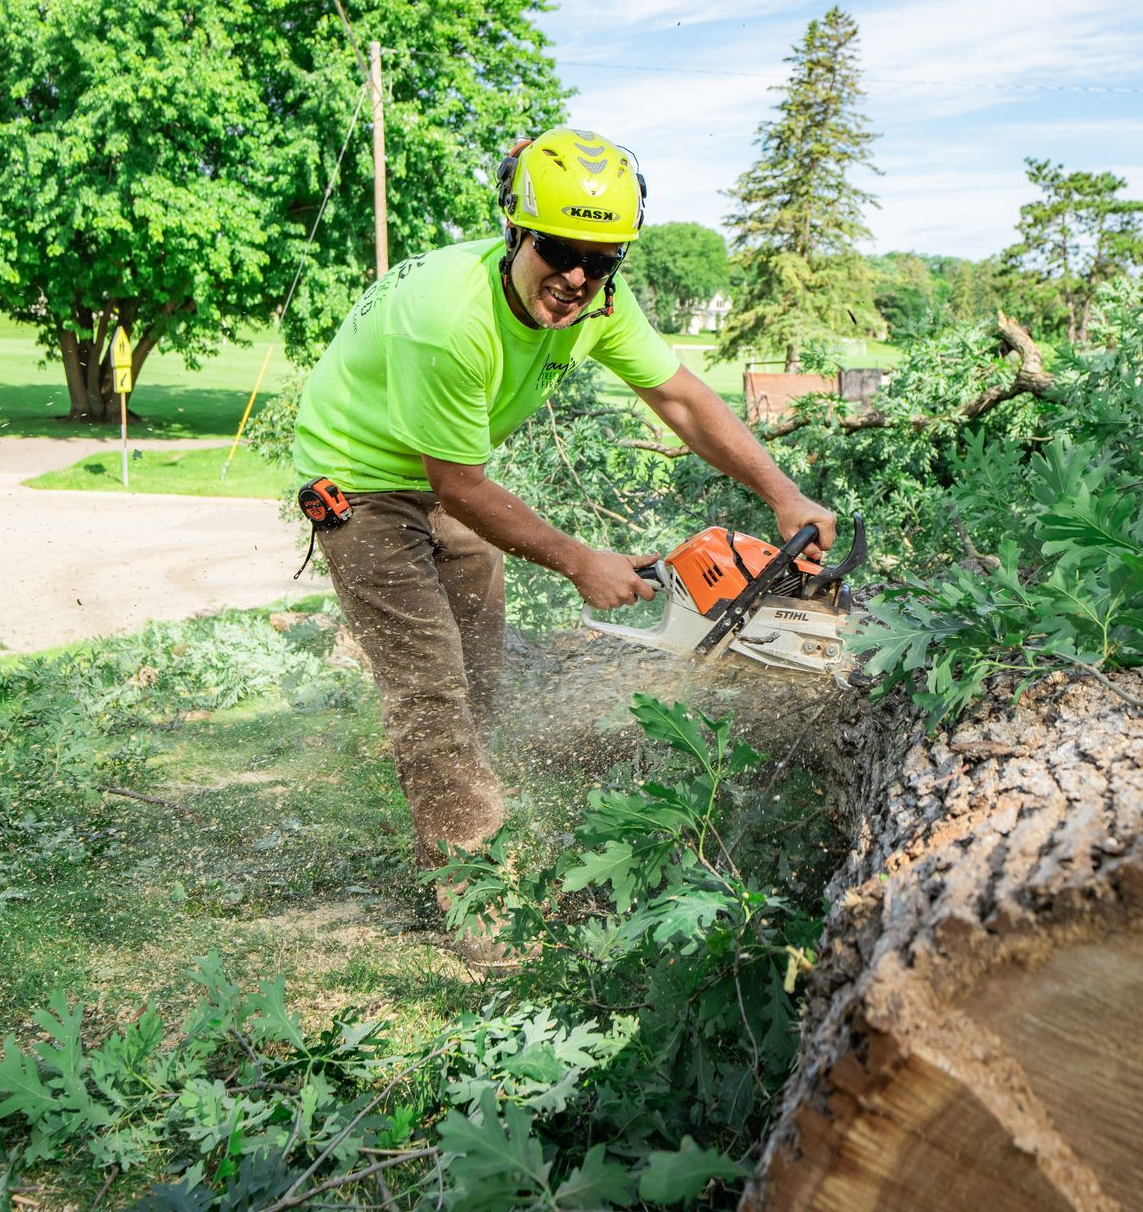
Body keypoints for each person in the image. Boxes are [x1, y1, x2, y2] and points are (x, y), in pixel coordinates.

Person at [291, 126, 835, 898]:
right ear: (516, 230)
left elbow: (680, 397)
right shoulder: (451, 319)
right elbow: (460, 485)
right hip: (360, 481)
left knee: (477, 667)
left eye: (601, 259)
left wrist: (785, 495)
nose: (578, 277)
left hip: (442, 469)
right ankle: (474, 886)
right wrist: (582, 561)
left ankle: (460, 795)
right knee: (431, 690)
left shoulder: (602, 305)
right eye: (558, 250)